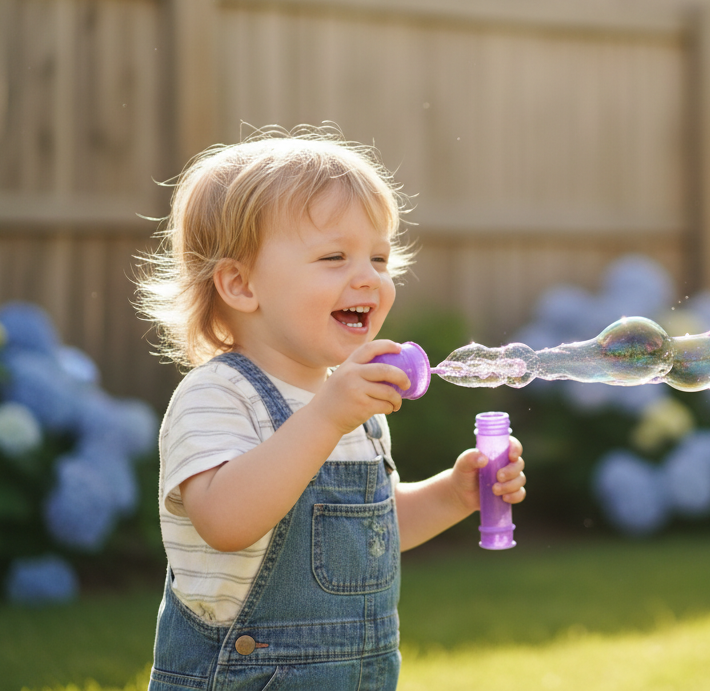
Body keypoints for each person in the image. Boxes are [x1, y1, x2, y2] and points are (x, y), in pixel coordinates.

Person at [137, 126, 527, 690]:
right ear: (241, 285)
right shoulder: (219, 395)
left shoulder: (350, 402)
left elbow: (363, 532)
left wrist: (452, 494)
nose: (367, 276)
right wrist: (325, 417)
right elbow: (225, 521)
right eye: (334, 256)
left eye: (379, 257)